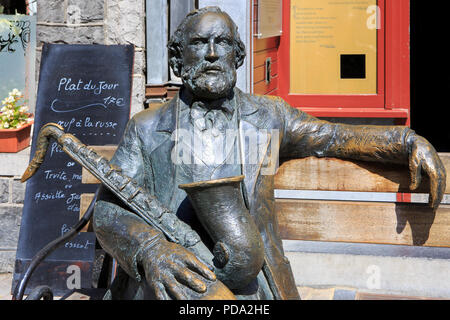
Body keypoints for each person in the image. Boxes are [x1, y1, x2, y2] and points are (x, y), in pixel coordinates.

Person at [92, 6, 446, 300]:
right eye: (199, 43)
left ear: (239, 55)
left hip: (252, 287)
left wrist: (405, 142)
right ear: (176, 57)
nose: (212, 54)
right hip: (170, 285)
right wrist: (151, 250)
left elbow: (334, 135)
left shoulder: (270, 116)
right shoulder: (146, 127)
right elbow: (107, 210)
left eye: (223, 43)